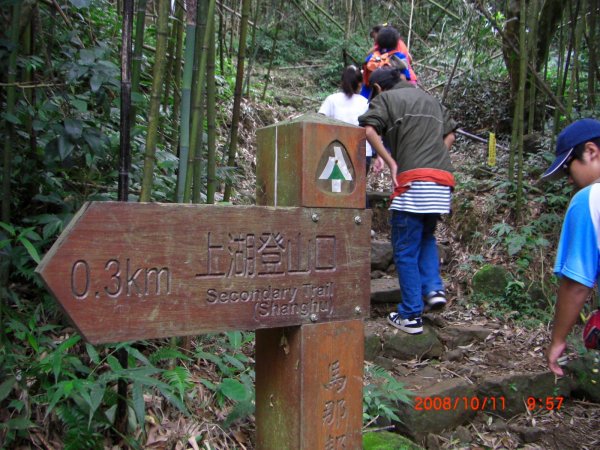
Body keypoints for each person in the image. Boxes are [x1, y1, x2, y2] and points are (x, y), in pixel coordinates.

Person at [358, 66, 457, 335]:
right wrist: (432, 158)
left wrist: (391, 163)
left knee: (404, 247)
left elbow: (368, 130)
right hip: (441, 181)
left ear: (378, 88)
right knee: (426, 237)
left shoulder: (386, 99)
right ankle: (433, 288)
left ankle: (411, 314)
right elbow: (450, 135)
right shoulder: (430, 99)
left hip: (412, 182)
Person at [541, 118, 600, 376]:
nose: (569, 180)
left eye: (568, 169)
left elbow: (576, 282)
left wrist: (558, 340)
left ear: (591, 151)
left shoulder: (590, 199)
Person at [318, 65, 374, 170]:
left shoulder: (332, 100)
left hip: (336, 149)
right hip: (362, 151)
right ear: (359, 84)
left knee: (337, 186)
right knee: (358, 186)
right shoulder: (365, 102)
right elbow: (372, 129)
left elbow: (318, 121)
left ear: (342, 82)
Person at [361, 26, 416, 100]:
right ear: (396, 42)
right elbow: (406, 77)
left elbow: (365, 76)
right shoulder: (399, 57)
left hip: (368, 97)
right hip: (392, 97)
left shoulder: (371, 58)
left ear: (378, 42)